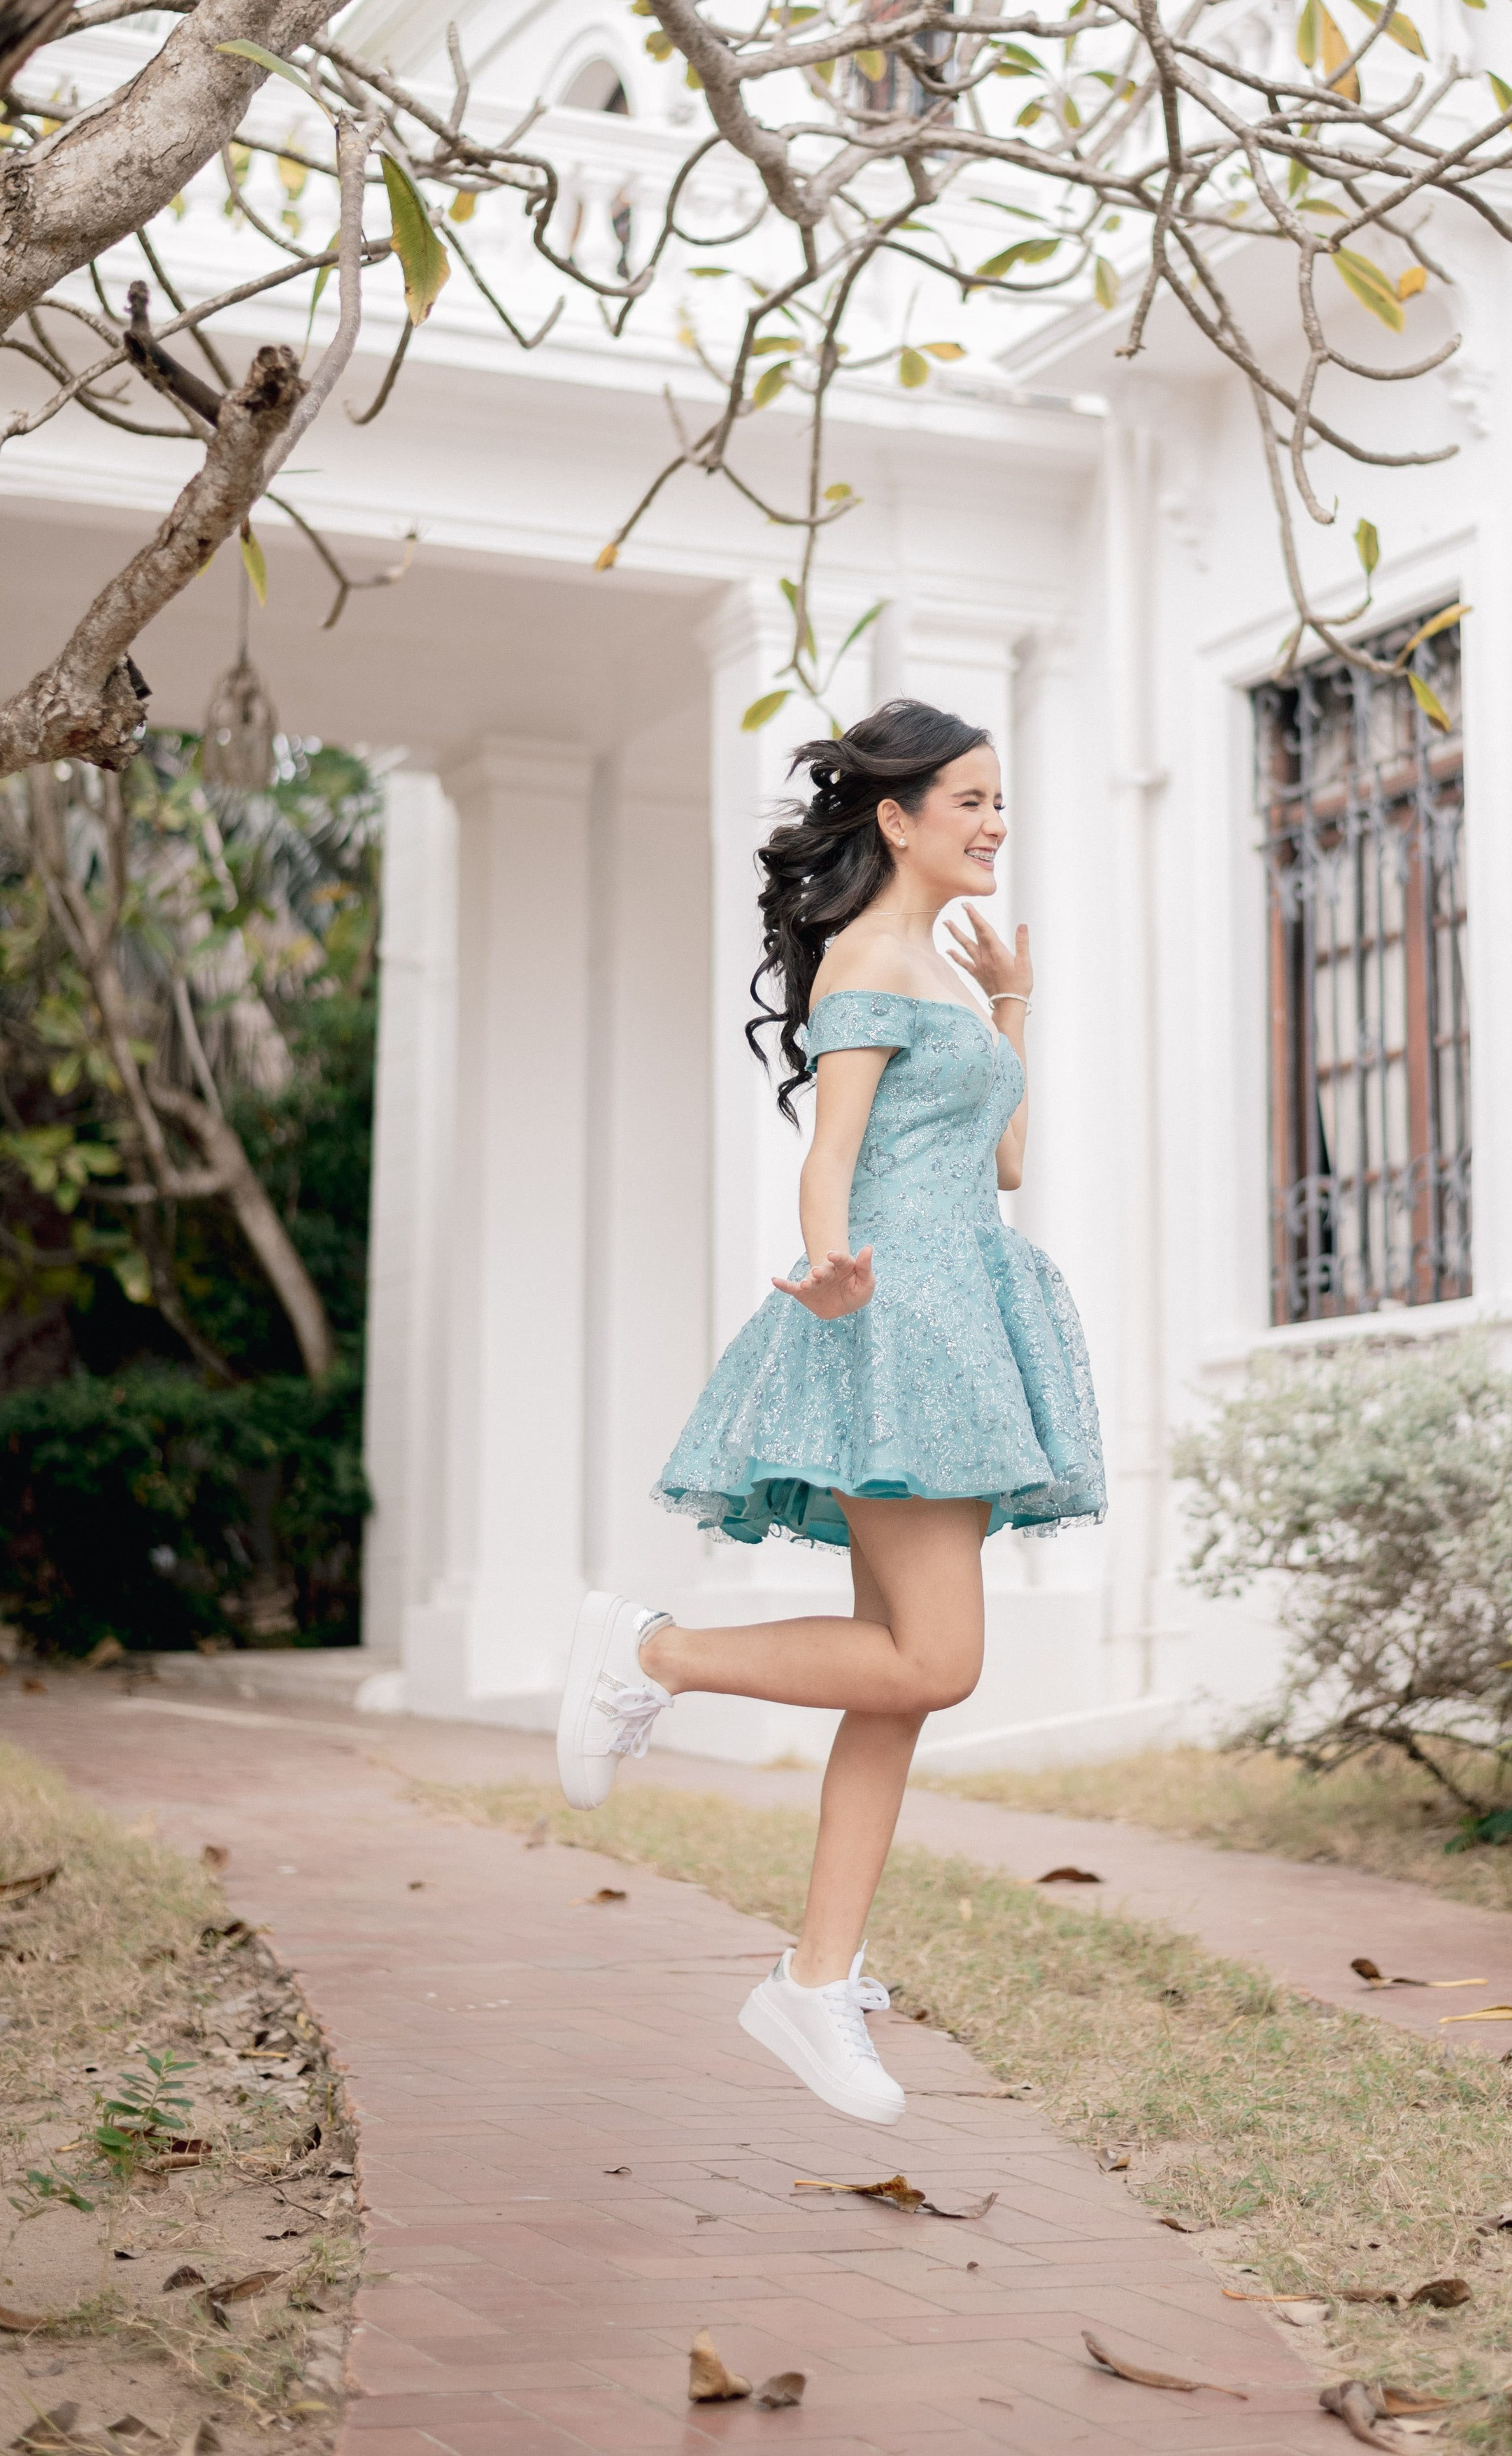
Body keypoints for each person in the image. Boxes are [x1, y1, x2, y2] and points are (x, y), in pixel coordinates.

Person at [554, 700, 1105, 2124]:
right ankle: (651, 1652)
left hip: (962, 1315)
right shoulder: (864, 958)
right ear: (896, 818)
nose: (993, 825)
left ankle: (814, 1977)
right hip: (896, 1320)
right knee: (937, 1662)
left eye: (1000, 802)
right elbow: (830, 1153)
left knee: (894, 1679)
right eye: (969, 800)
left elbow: (1002, 1164)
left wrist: (1013, 1003)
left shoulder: (939, 969)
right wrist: (833, 1273)